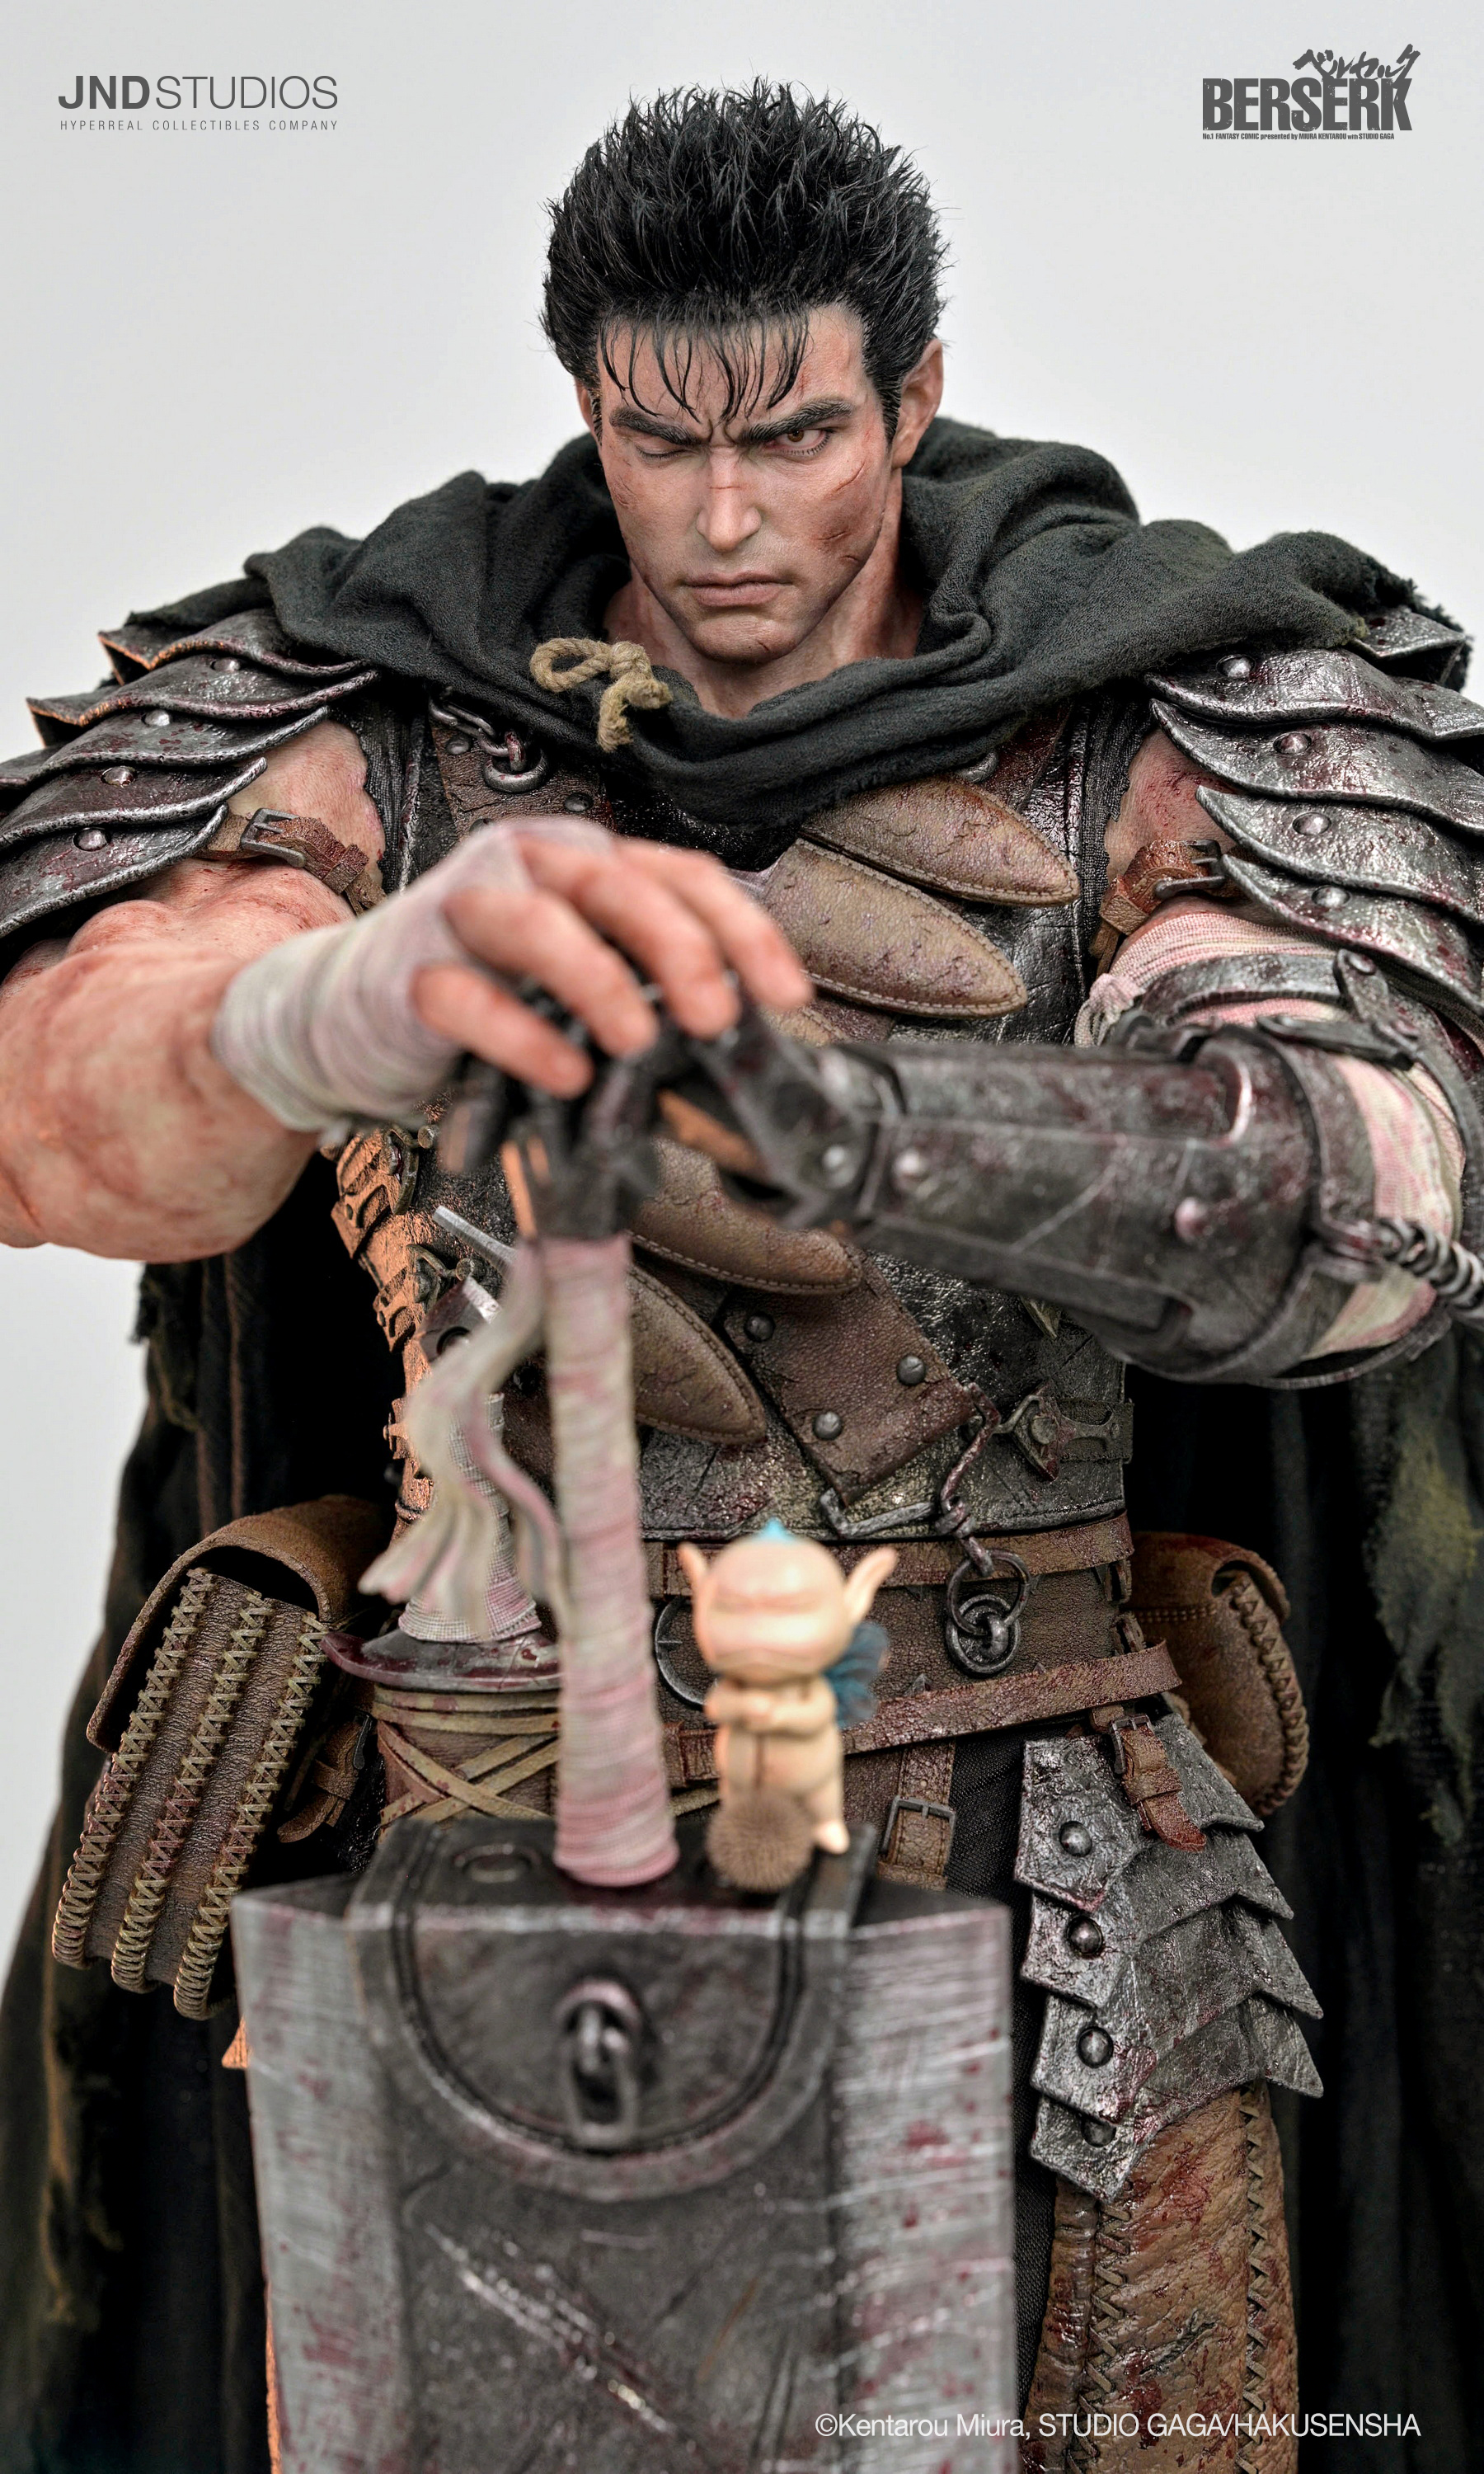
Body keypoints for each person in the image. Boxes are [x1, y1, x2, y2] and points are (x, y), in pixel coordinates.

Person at [1, 81, 1479, 2473]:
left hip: (1050, 1882)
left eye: (794, 436)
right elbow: (55, 1115)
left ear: (911, 394)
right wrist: (321, 1001)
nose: (720, 521)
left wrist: (857, 1128)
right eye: (658, 439)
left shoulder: (1157, 716)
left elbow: (1360, 1203)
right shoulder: (382, 707)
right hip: (484, 1840)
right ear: (584, 400)